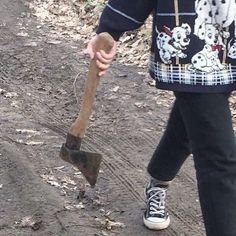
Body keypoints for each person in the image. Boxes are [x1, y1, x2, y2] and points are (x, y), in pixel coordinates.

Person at [86, 1, 236, 235]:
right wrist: (111, 28)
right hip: (193, 38)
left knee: (193, 124)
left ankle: (158, 178)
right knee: (219, 156)